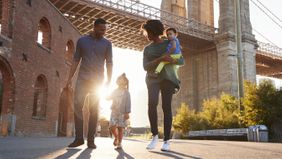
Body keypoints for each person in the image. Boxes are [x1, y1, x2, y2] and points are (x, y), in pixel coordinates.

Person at [66, 18, 113, 149]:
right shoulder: (82, 41)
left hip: (97, 82)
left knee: (93, 110)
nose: (104, 32)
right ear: (95, 27)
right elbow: (75, 60)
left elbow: (109, 63)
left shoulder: (107, 44)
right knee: (77, 107)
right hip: (82, 79)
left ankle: (91, 140)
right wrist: (69, 78)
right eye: (101, 29)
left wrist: (109, 80)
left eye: (105, 30)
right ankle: (79, 138)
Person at [141, 20, 184, 151]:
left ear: (154, 32)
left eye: (148, 32)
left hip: (167, 78)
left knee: (166, 107)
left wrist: (172, 59)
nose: (146, 35)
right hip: (152, 79)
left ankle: (166, 141)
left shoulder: (170, 42)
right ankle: (154, 136)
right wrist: (160, 59)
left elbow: (181, 60)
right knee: (152, 103)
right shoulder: (147, 49)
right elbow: (145, 66)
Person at [107, 73, 131, 149]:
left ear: (125, 82)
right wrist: (107, 97)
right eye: (119, 79)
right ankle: (116, 137)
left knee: (120, 128)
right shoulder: (114, 91)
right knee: (111, 127)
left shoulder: (127, 93)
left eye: (122, 79)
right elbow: (110, 97)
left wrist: (127, 112)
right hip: (114, 111)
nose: (120, 80)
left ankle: (119, 143)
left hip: (122, 113)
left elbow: (128, 103)